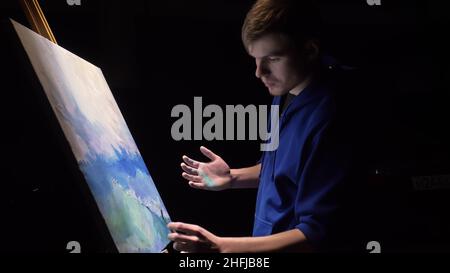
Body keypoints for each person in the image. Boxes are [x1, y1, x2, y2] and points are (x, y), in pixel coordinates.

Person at [167, 0, 367, 252]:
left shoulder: (334, 117)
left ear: (309, 50)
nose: (259, 72)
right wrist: (232, 178)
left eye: (272, 58)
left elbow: (316, 235)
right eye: (256, 59)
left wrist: (220, 248)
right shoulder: (285, 90)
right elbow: (281, 170)